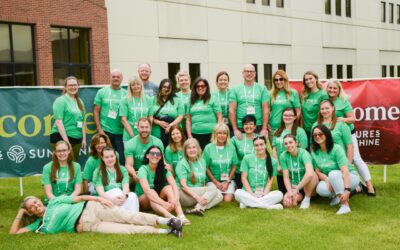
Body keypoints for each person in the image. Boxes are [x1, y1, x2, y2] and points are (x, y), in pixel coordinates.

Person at [10, 195, 184, 237]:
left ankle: (168, 220)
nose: (35, 204)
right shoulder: (39, 225)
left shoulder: (55, 202)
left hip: (91, 208)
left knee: (127, 216)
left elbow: (80, 197)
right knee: (125, 230)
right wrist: (20, 212)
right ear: (30, 212)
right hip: (86, 226)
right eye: (31, 206)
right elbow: (14, 234)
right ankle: (168, 232)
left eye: (34, 201)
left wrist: (99, 198)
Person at [325, 79, 376, 196]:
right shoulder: (324, 101)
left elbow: (353, 119)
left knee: (355, 159)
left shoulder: (343, 101)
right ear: (327, 89)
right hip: (333, 135)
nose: (332, 90)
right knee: (340, 160)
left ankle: (369, 185)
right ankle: (355, 185)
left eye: (335, 88)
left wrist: (343, 119)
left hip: (348, 133)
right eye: (330, 88)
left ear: (339, 90)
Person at [311, 124, 360, 214]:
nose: (317, 136)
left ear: (327, 134)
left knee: (333, 174)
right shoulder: (314, 152)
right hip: (332, 178)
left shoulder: (336, 148)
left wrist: (347, 190)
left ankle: (345, 205)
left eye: (320, 134)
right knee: (320, 189)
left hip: (350, 177)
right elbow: (317, 171)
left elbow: (345, 171)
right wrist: (326, 179)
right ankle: (338, 196)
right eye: (315, 135)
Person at [135, 146, 189, 225]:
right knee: (151, 191)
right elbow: (147, 191)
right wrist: (164, 203)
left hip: (157, 200)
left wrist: (175, 199)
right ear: (147, 156)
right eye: (152, 153)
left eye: (158, 154)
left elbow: (174, 185)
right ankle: (171, 217)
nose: (155, 156)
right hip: (143, 200)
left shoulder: (164, 169)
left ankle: (180, 215)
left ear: (160, 157)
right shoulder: (143, 169)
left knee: (169, 187)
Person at [175, 138, 223, 216]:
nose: (191, 150)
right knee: (213, 188)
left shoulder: (202, 161)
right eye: (189, 148)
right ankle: (198, 207)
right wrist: (197, 197)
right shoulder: (182, 164)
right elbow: (183, 186)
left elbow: (202, 183)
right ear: (185, 151)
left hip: (197, 193)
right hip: (184, 195)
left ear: (198, 149)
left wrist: (202, 196)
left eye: (194, 147)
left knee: (220, 196)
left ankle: (197, 208)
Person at [234, 136, 283, 210]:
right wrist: (251, 194)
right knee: (237, 192)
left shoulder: (273, 161)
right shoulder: (247, 158)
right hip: (248, 193)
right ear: (253, 146)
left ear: (265, 145)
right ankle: (268, 207)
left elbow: (270, 182)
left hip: (263, 193)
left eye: (261, 144)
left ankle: (248, 204)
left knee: (279, 194)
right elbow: (243, 178)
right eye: (256, 145)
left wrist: (264, 194)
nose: (259, 147)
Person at [94, 69, 127, 165]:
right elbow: (96, 111)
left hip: (121, 132)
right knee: (106, 157)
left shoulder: (126, 94)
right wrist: (99, 129)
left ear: (121, 79)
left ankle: (120, 178)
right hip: (105, 131)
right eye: (113, 76)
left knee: (120, 158)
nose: (116, 78)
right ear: (110, 78)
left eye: (118, 77)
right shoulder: (101, 92)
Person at [50, 76, 86, 160]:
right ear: (65, 87)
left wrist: (84, 139)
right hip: (61, 138)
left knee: (73, 165)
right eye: (70, 85)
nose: (73, 87)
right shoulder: (60, 101)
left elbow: (83, 122)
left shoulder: (80, 101)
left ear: (78, 86)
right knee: (61, 165)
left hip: (76, 138)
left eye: (75, 85)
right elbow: (59, 122)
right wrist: (66, 142)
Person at [229, 64, 270, 139]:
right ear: (243, 73)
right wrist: (235, 129)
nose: (249, 73)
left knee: (258, 149)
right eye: (247, 71)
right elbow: (232, 110)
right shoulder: (235, 89)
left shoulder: (262, 88)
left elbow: (266, 109)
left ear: (255, 73)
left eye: (251, 71)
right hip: (241, 126)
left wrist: (264, 128)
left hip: (258, 126)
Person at [272, 108, 307, 193]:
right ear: (282, 117)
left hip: (295, 169)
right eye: (285, 115)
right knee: (283, 194)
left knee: (297, 195)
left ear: (295, 117)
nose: (287, 117)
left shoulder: (300, 131)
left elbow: (302, 151)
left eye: (290, 115)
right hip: (281, 169)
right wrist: (278, 165)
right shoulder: (277, 131)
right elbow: (274, 149)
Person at [93, 147, 139, 212]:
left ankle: (133, 217)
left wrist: (124, 196)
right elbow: (101, 193)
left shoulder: (122, 169)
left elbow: (125, 187)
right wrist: (112, 200)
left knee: (132, 195)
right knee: (116, 191)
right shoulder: (98, 171)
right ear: (102, 158)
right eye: (106, 157)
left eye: (112, 156)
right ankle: (126, 217)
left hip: (120, 198)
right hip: (106, 200)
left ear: (115, 157)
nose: (110, 159)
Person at [280, 135, 318, 209]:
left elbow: (309, 174)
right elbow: (286, 177)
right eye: (286, 143)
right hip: (294, 186)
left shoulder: (304, 153)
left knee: (312, 174)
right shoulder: (283, 156)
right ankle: (297, 198)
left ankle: (307, 199)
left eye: (290, 142)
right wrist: (290, 192)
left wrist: (297, 189)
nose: (288, 145)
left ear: (296, 143)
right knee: (287, 202)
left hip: (307, 184)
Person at [203, 123, 239, 202]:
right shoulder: (208, 147)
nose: (222, 135)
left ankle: (233, 187)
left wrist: (227, 181)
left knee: (227, 200)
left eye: (224, 133)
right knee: (217, 196)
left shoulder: (231, 147)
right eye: (219, 133)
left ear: (227, 135)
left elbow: (234, 165)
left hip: (227, 180)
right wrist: (215, 182)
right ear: (215, 134)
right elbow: (205, 167)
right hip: (213, 180)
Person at [313, 100, 354, 166]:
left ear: (333, 108)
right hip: (322, 164)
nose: (324, 111)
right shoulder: (315, 125)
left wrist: (348, 165)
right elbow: (313, 146)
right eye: (322, 109)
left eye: (327, 108)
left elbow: (350, 146)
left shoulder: (341, 124)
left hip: (339, 162)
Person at [124, 118, 164, 185]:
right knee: (127, 175)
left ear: (150, 128)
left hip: (153, 171)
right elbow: (128, 165)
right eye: (142, 127)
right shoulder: (130, 144)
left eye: (146, 127)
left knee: (168, 170)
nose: (144, 130)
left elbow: (162, 161)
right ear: (138, 128)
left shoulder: (157, 142)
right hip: (136, 171)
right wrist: (134, 174)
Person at [186, 77, 222, 149]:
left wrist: (217, 133)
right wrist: (189, 136)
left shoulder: (213, 98)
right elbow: (188, 120)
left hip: (211, 134)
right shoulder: (190, 100)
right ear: (195, 88)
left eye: (203, 86)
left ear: (206, 87)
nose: (200, 88)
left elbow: (219, 117)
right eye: (198, 86)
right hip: (195, 135)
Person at [152, 79, 184, 147]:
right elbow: (149, 116)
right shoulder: (153, 99)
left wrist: (171, 125)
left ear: (172, 89)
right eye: (164, 87)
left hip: (174, 132)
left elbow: (181, 116)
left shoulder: (177, 100)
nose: (166, 89)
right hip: (157, 132)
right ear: (160, 87)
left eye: (168, 87)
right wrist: (159, 122)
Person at [120, 76, 153, 142]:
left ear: (141, 86)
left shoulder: (148, 99)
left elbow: (150, 118)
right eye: (133, 85)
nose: (136, 86)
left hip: (145, 134)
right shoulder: (125, 100)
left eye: (138, 84)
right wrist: (132, 135)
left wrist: (146, 131)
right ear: (130, 87)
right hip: (129, 136)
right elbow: (123, 119)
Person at [300, 71, 329, 145]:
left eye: (310, 78)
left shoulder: (323, 95)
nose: (308, 81)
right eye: (306, 80)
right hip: (305, 130)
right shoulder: (303, 95)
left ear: (316, 79)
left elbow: (326, 114)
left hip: (318, 131)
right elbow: (301, 113)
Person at [269, 70, 301, 134]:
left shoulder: (293, 93)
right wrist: (267, 124)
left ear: (285, 80)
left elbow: (298, 111)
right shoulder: (270, 94)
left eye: (281, 79)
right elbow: (267, 111)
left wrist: (293, 124)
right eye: (276, 80)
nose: (278, 82)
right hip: (274, 128)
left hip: (288, 128)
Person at [231, 115, 257, 189]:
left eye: (251, 124)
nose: (248, 126)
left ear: (255, 126)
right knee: (242, 191)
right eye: (246, 124)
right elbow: (227, 147)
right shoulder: (236, 138)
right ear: (242, 126)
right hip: (240, 171)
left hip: (254, 171)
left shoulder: (259, 138)